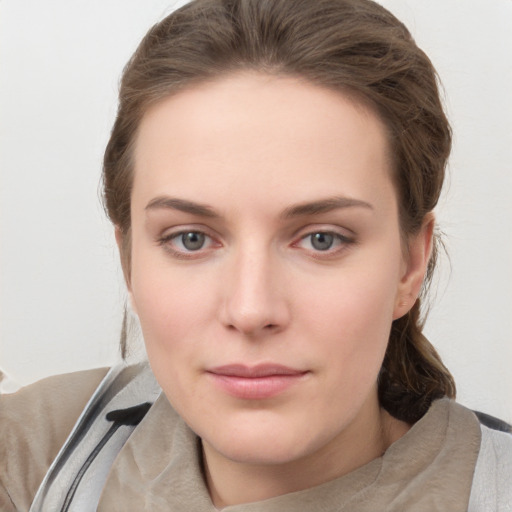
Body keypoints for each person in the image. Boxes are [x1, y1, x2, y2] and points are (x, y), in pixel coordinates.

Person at [1, 0, 511, 510]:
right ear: (128, 260)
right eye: (191, 239)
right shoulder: (31, 459)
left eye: (322, 239)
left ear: (409, 264)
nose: (251, 310)